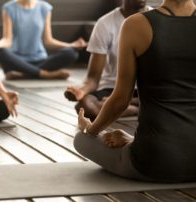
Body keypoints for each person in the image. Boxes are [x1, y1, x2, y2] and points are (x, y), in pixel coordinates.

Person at [75, 0, 196, 182]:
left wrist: (90, 130)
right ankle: (134, 141)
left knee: (81, 139)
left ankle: (132, 142)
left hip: (153, 161)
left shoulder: (136, 24)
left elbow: (120, 100)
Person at [64, 0, 149, 120]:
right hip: (112, 89)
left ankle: (124, 105)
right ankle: (136, 108)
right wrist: (81, 91)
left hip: (149, 90)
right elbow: (93, 78)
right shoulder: (105, 24)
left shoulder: (159, 19)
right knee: (85, 106)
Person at [0, 0, 87, 80]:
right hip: (17, 62)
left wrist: (71, 45)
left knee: (71, 53)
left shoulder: (44, 8)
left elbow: (48, 41)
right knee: (0, 52)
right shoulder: (9, 8)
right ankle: (44, 74)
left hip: (40, 60)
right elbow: (7, 39)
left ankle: (25, 75)